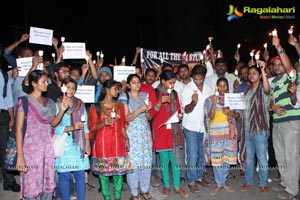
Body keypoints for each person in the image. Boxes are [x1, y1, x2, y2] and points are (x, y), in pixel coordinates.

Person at [15, 70, 69, 200]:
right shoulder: (24, 101)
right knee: (32, 183)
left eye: (47, 81)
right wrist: (20, 156)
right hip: (30, 149)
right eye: (43, 81)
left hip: (46, 148)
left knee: (47, 181)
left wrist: (62, 110)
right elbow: (18, 129)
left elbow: (54, 123)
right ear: (33, 83)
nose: (47, 84)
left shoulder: (49, 102)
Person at [88, 79, 132, 200]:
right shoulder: (96, 107)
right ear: (107, 90)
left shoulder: (119, 105)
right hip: (102, 145)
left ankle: (117, 198)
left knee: (118, 175)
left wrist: (126, 138)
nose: (117, 91)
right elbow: (92, 127)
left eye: (118, 89)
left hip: (118, 143)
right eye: (115, 89)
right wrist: (103, 123)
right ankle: (107, 198)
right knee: (104, 176)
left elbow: (122, 124)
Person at [270, 35, 300, 200]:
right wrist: (272, 107)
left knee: (291, 156)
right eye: (274, 65)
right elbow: (271, 104)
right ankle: (285, 181)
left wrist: (280, 47)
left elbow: (290, 68)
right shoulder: (274, 82)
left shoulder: (293, 77)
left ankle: (292, 190)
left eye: (279, 63)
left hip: (291, 122)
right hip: (277, 122)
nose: (276, 66)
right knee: (280, 155)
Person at [150, 70, 189, 198]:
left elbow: (178, 111)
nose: (172, 85)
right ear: (162, 81)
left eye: (174, 83)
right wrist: (160, 102)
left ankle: (177, 187)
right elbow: (150, 115)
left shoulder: (175, 94)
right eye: (170, 83)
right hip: (160, 133)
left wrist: (179, 117)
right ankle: (166, 186)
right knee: (164, 162)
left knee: (176, 161)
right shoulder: (154, 93)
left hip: (174, 133)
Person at [54, 78, 91, 200]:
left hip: (78, 145)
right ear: (62, 87)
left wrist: (87, 143)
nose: (70, 90)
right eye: (68, 87)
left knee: (80, 174)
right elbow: (54, 128)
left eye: (73, 88)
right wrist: (72, 127)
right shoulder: (57, 104)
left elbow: (85, 125)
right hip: (64, 144)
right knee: (64, 175)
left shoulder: (80, 104)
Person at [180, 64, 214, 193]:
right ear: (192, 76)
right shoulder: (187, 90)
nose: (198, 81)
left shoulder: (209, 89)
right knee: (192, 154)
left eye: (200, 79)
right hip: (190, 127)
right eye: (196, 79)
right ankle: (191, 180)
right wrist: (193, 103)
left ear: (204, 77)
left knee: (201, 154)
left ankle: (200, 176)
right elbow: (186, 110)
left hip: (204, 126)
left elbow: (210, 107)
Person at [119, 74, 153, 200]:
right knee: (133, 163)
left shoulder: (145, 95)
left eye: (138, 82)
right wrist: (140, 109)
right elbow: (125, 118)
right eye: (133, 82)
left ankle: (144, 189)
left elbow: (149, 118)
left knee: (146, 162)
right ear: (128, 85)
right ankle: (134, 192)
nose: (137, 84)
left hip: (145, 133)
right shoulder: (124, 97)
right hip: (132, 134)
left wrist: (147, 110)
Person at [204, 77, 239, 196]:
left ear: (227, 87)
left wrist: (231, 113)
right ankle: (219, 183)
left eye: (225, 85)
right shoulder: (210, 99)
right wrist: (214, 104)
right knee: (217, 159)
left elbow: (238, 115)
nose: (223, 88)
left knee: (227, 159)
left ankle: (223, 181)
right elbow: (210, 117)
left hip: (229, 133)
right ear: (216, 87)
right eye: (220, 85)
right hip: (216, 134)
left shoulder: (232, 99)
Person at [239, 62, 270, 195]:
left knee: (262, 157)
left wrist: (263, 71)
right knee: (249, 157)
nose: (251, 75)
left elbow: (268, 90)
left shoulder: (263, 88)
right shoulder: (246, 91)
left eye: (254, 73)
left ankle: (263, 183)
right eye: (250, 73)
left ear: (259, 75)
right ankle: (248, 181)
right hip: (247, 128)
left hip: (259, 129)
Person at [0, 51, 20, 192]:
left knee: (5, 150)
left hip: (3, 116)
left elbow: (7, 97)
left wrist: (12, 117)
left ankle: (8, 181)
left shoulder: (2, 73)